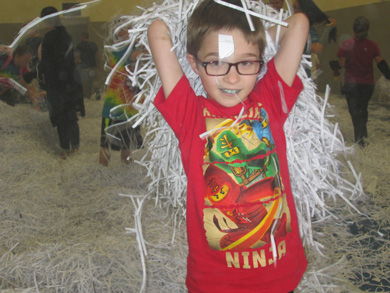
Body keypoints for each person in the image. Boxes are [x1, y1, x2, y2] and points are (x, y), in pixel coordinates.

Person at [148, 0, 309, 292]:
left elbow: (298, 24)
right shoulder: (189, 114)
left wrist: (256, 36)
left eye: (246, 62)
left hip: (280, 274)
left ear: (260, 61)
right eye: (216, 62)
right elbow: (158, 32)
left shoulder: (269, 102)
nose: (232, 77)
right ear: (194, 63)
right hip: (215, 281)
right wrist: (236, 42)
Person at [330, 16, 390, 147]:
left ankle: (359, 139)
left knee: (355, 111)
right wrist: (388, 74)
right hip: (368, 84)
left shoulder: (346, 44)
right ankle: (364, 133)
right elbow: (380, 62)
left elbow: (341, 64)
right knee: (363, 108)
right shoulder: (373, 45)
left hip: (352, 84)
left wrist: (334, 65)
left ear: (353, 29)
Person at [38, 6, 84, 158]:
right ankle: (75, 147)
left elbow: (46, 64)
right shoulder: (66, 35)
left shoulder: (50, 37)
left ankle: (65, 149)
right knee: (70, 116)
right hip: (69, 83)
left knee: (61, 117)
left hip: (57, 84)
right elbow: (69, 61)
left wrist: (45, 83)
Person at [99, 26, 143, 166]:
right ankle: (102, 173)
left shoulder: (133, 47)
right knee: (105, 144)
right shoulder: (119, 49)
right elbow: (139, 55)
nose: (130, 31)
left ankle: (126, 171)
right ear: (118, 33)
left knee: (127, 144)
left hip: (130, 108)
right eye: (126, 29)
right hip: (114, 107)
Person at [292, 0, 336, 76]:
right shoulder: (290, 25)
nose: (292, 10)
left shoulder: (308, 29)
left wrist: (328, 29)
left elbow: (317, 49)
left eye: (295, 8)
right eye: (293, 7)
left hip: (301, 75)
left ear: (303, 11)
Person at [75, 32, 101, 100]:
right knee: (95, 80)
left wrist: (76, 64)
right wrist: (98, 64)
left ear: (83, 37)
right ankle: (97, 90)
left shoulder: (79, 45)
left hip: (84, 67)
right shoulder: (93, 44)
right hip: (93, 66)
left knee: (85, 83)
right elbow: (97, 55)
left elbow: (77, 56)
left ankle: (87, 97)